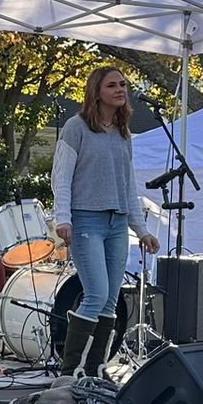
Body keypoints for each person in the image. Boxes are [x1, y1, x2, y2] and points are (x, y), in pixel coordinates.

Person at [52, 66, 162, 376]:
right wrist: (63, 218)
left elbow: (127, 185)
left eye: (123, 84)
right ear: (96, 92)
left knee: (110, 301)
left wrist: (141, 230)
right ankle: (69, 371)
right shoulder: (76, 127)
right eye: (112, 85)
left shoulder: (123, 132)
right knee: (96, 294)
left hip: (118, 223)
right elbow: (62, 177)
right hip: (87, 220)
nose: (120, 89)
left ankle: (95, 370)